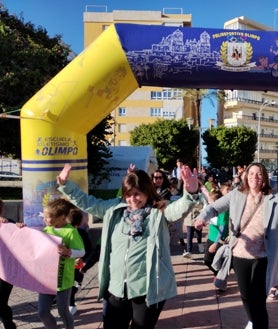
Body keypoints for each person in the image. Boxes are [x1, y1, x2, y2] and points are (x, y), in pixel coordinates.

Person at [57, 163, 199, 329]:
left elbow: (178, 209)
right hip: (116, 287)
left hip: (146, 287)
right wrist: (65, 186)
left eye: (137, 194)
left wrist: (190, 193)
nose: (133, 199)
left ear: (147, 191)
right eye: (129, 194)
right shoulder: (115, 210)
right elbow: (89, 203)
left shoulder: (158, 212)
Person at [195, 162, 278, 329]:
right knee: (246, 296)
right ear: (245, 176)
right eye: (252, 173)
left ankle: (258, 323)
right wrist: (202, 217)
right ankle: (253, 321)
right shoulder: (236, 195)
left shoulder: (274, 198)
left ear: (265, 177)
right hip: (240, 254)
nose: (255, 177)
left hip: (263, 257)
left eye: (259, 173)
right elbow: (213, 208)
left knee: (259, 299)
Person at [38, 198, 85, 329]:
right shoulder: (47, 230)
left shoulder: (71, 231)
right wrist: (21, 227)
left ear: (63, 217)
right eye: (45, 216)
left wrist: (68, 251)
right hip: (46, 279)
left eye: (50, 217)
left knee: (63, 312)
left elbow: (81, 251)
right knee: (42, 312)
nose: (46, 220)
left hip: (63, 280)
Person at [68, 207, 94, 316]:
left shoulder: (81, 233)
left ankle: (71, 303)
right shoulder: (57, 232)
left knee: (74, 284)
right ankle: (68, 300)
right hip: (63, 266)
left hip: (77, 266)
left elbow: (89, 249)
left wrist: (83, 260)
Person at [203, 183, 231, 277]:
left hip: (218, 240)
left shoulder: (223, 210)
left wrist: (215, 243)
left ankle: (220, 278)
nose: (209, 203)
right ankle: (218, 274)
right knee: (207, 260)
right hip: (210, 237)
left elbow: (222, 228)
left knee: (217, 261)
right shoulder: (212, 209)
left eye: (211, 201)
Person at [0, 199, 18, 329]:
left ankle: (9, 325)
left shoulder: (8, 224)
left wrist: (19, 227)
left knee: (1, 302)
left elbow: (23, 240)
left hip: (6, 271)